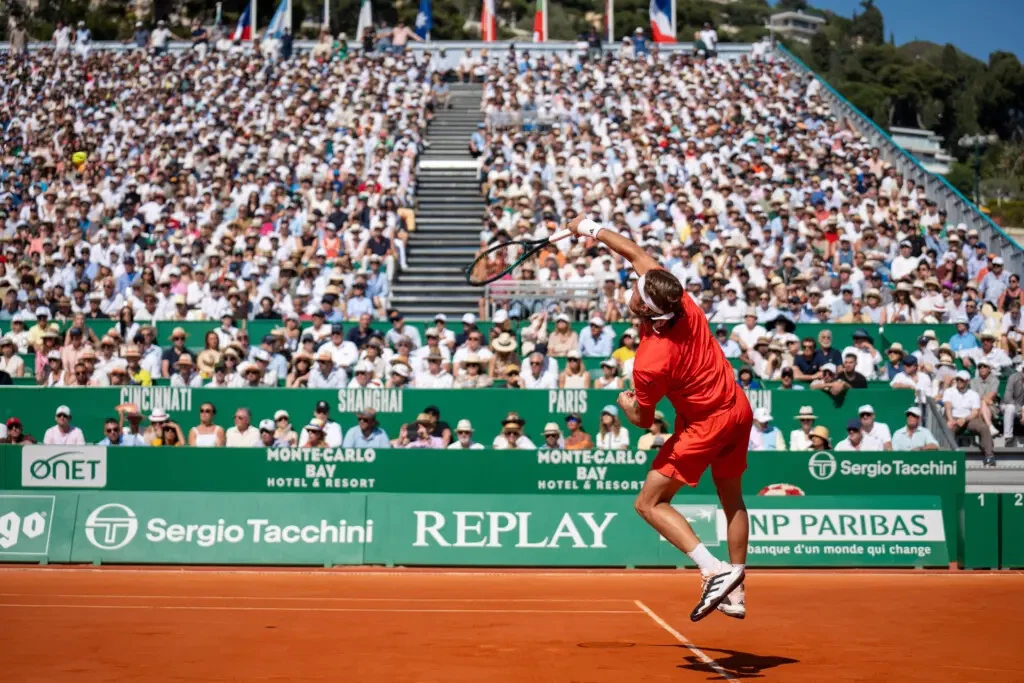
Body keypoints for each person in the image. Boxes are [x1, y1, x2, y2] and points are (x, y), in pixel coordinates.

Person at [568, 213, 751, 621]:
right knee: (732, 498)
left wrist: (624, 403)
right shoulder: (675, 296)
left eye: (635, 295)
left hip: (706, 424)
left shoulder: (650, 360)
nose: (632, 291)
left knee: (648, 503)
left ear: (646, 311)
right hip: (738, 407)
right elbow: (632, 251)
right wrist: (590, 228)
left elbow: (641, 421)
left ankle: (712, 568)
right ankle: (737, 589)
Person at [944, 370, 996, 466]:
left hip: (969, 419)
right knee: (949, 429)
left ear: (967, 382)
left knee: (983, 427)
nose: (959, 381)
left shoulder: (973, 394)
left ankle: (989, 456)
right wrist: (951, 420)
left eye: (962, 380)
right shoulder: (949, 391)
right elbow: (948, 407)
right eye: (957, 379)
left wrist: (965, 419)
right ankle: (949, 458)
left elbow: (975, 412)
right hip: (954, 417)